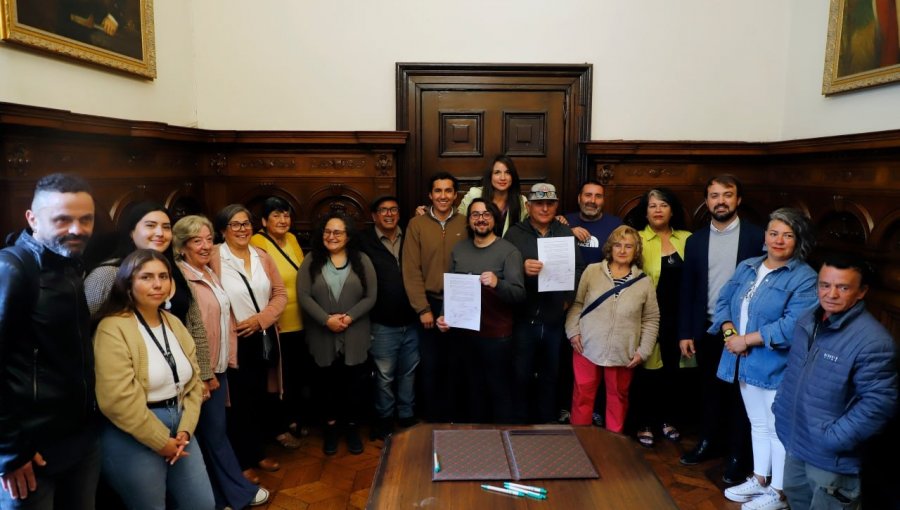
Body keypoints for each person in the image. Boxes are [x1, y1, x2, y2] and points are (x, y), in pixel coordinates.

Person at [0, 174, 100, 509]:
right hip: (32, 452)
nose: (77, 229)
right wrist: (10, 453)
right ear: (32, 218)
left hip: (79, 439)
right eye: (63, 219)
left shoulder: (70, 262)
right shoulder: (12, 267)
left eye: (86, 219)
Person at [710, 208, 819, 510]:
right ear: (765, 236)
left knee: (777, 428)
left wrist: (746, 339)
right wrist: (729, 332)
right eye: (774, 233)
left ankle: (780, 492)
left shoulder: (804, 277)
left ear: (798, 241)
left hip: (776, 365)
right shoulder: (748, 266)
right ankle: (760, 479)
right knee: (757, 423)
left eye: (787, 235)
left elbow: (792, 324)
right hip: (742, 361)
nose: (779, 240)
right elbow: (723, 302)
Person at [773, 253, 898, 510]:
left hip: (831, 459)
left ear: (861, 292)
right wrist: (780, 407)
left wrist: (833, 439)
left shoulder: (874, 341)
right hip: (795, 443)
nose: (831, 294)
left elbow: (879, 403)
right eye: (825, 285)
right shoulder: (808, 319)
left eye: (843, 287)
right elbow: (793, 370)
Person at [93, 249, 214, 509]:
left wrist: (185, 430)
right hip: (135, 430)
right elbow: (116, 400)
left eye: (163, 276)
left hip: (181, 423)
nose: (157, 284)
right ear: (128, 284)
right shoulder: (112, 328)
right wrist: (162, 442)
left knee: (202, 503)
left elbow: (193, 383)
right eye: (146, 277)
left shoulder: (173, 322)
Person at [174, 215, 269, 508]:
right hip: (202, 374)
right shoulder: (181, 278)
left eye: (207, 239)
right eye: (196, 241)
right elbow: (189, 332)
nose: (205, 246)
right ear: (181, 246)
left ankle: (220, 496)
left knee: (212, 434)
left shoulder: (206, 272)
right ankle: (233, 494)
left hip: (219, 367)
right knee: (211, 436)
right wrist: (203, 375)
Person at [678, 174, 764, 485]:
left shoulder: (757, 238)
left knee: (739, 397)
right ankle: (707, 442)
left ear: (738, 200)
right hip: (707, 330)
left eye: (727, 195)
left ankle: (737, 455)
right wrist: (685, 332)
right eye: (714, 196)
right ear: (707, 201)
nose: (721, 201)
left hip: (743, 334)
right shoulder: (695, 240)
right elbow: (688, 290)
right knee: (708, 392)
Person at [83, 202, 213, 383]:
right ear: (131, 232)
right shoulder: (108, 274)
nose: (160, 233)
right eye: (150, 225)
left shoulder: (175, 271)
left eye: (166, 227)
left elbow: (195, 324)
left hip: (181, 378)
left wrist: (203, 374)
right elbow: (83, 331)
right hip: (128, 382)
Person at [211, 205, 287, 476]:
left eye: (246, 223)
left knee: (259, 398)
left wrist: (261, 319)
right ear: (222, 230)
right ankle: (242, 462)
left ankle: (258, 452)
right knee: (237, 403)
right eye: (235, 224)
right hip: (232, 342)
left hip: (262, 336)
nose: (242, 229)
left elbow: (280, 294)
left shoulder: (262, 256)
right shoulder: (213, 257)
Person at [436, 199, 525, 423]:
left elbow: (519, 294)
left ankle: (503, 442)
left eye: (486, 214)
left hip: (496, 337)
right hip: (464, 336)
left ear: (494, 220)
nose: (481, 219)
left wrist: (498, 283)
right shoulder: (459, 249)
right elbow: (451, 290)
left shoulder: (509, 251)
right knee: (471, 392)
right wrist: (444, 316)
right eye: (475, 215)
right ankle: (476, 444)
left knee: (499, 392)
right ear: (469, 221)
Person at [565, 225, 659, 432]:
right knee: (582, 395)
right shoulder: (592, 271)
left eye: (628, 246)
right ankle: (580, 441)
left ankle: (613, 446)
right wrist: (573, 333)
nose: (622, 250)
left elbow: (651, 319)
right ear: (610, 248)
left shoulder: (644, 282)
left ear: (636, 251)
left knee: (618, 398)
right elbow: (577, 304)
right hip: (586, 347)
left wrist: (643, 351)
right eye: (618, 245)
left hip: (622, 352)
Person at [504, 182, 585, 423]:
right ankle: (519, 422)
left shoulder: (564, 233)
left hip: (554, 318)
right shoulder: (515, 234)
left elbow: (579, 269)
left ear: (556, 205)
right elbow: (502, 270)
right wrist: (521, 268)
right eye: (539, 203)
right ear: (529, 206)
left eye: (550, 203)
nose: (545, 208)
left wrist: (568, 299)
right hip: (523, 317)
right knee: (521, 374)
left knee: (551, 374)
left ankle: (547, 422)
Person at [297, 212, 377, 455]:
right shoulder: (311, 261)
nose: (332, 237)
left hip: (356, 334)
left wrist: (349, 317)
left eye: (338, 232)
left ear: (348, 235)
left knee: (353, 386)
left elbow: (371, 296)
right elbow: (303, 296)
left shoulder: (362, 260)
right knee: (326, 387)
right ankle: (330, 429)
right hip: (322, 335)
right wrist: (326, 320)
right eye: (327, 232)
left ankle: (352, 428)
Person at [402, 172, 467, 422]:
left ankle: (454, 416)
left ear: (455, 195)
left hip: (459, 302)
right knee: (429, 364)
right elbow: (411, 270)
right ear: (430, 195)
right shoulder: (416, 225)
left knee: (456, 363)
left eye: (448, 191)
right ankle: (431, 418)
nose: (443, 196)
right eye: (438, 191)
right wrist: (422, 308)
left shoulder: (465, 223)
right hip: (429, 302)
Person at [628, 188, 691, 447]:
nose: (657, 210)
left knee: (674, 371)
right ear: (645, 211)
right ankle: (644, 422)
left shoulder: (688, 239)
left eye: (663, 205)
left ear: (671, 210)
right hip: (647, 316)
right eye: (652, 206)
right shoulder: (636, 239)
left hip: (680, 316)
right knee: (646, 373)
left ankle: (668, 419)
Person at [359, 196, 420, 439]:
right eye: (383, 210)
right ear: (374, 215)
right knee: (384, 375)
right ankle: (383, 419)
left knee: (409, 372)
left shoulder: (411, 237)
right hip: (382, 323)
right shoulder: (363, 241)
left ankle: (406, 414)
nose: (388, 214)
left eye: (393, 209)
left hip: (413, 320)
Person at [249, 197, 307, 448]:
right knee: (276, 379)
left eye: (286, 215)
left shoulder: (292, 239)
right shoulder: (256, 243)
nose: (283, 220)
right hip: (277, 323)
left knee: (295, 375)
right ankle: (278, 428)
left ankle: (292, 419)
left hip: (300, 320)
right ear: (263, 221)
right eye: (276, 215)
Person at [455, 155, 528, 236]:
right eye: (497, 172)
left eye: (507, 173)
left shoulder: (521, 201)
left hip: (508, 247)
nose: (503, 178)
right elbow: (459, 223)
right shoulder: (475, 195)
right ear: (490, 176)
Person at [564, 179, 622, 265]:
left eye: (598, 196)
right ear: (579, 198)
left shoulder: (616, 225)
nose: (592, 201)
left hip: (601, 277)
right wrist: (568, 231)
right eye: (588, 195)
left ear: (603, 200)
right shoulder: (565, 221)